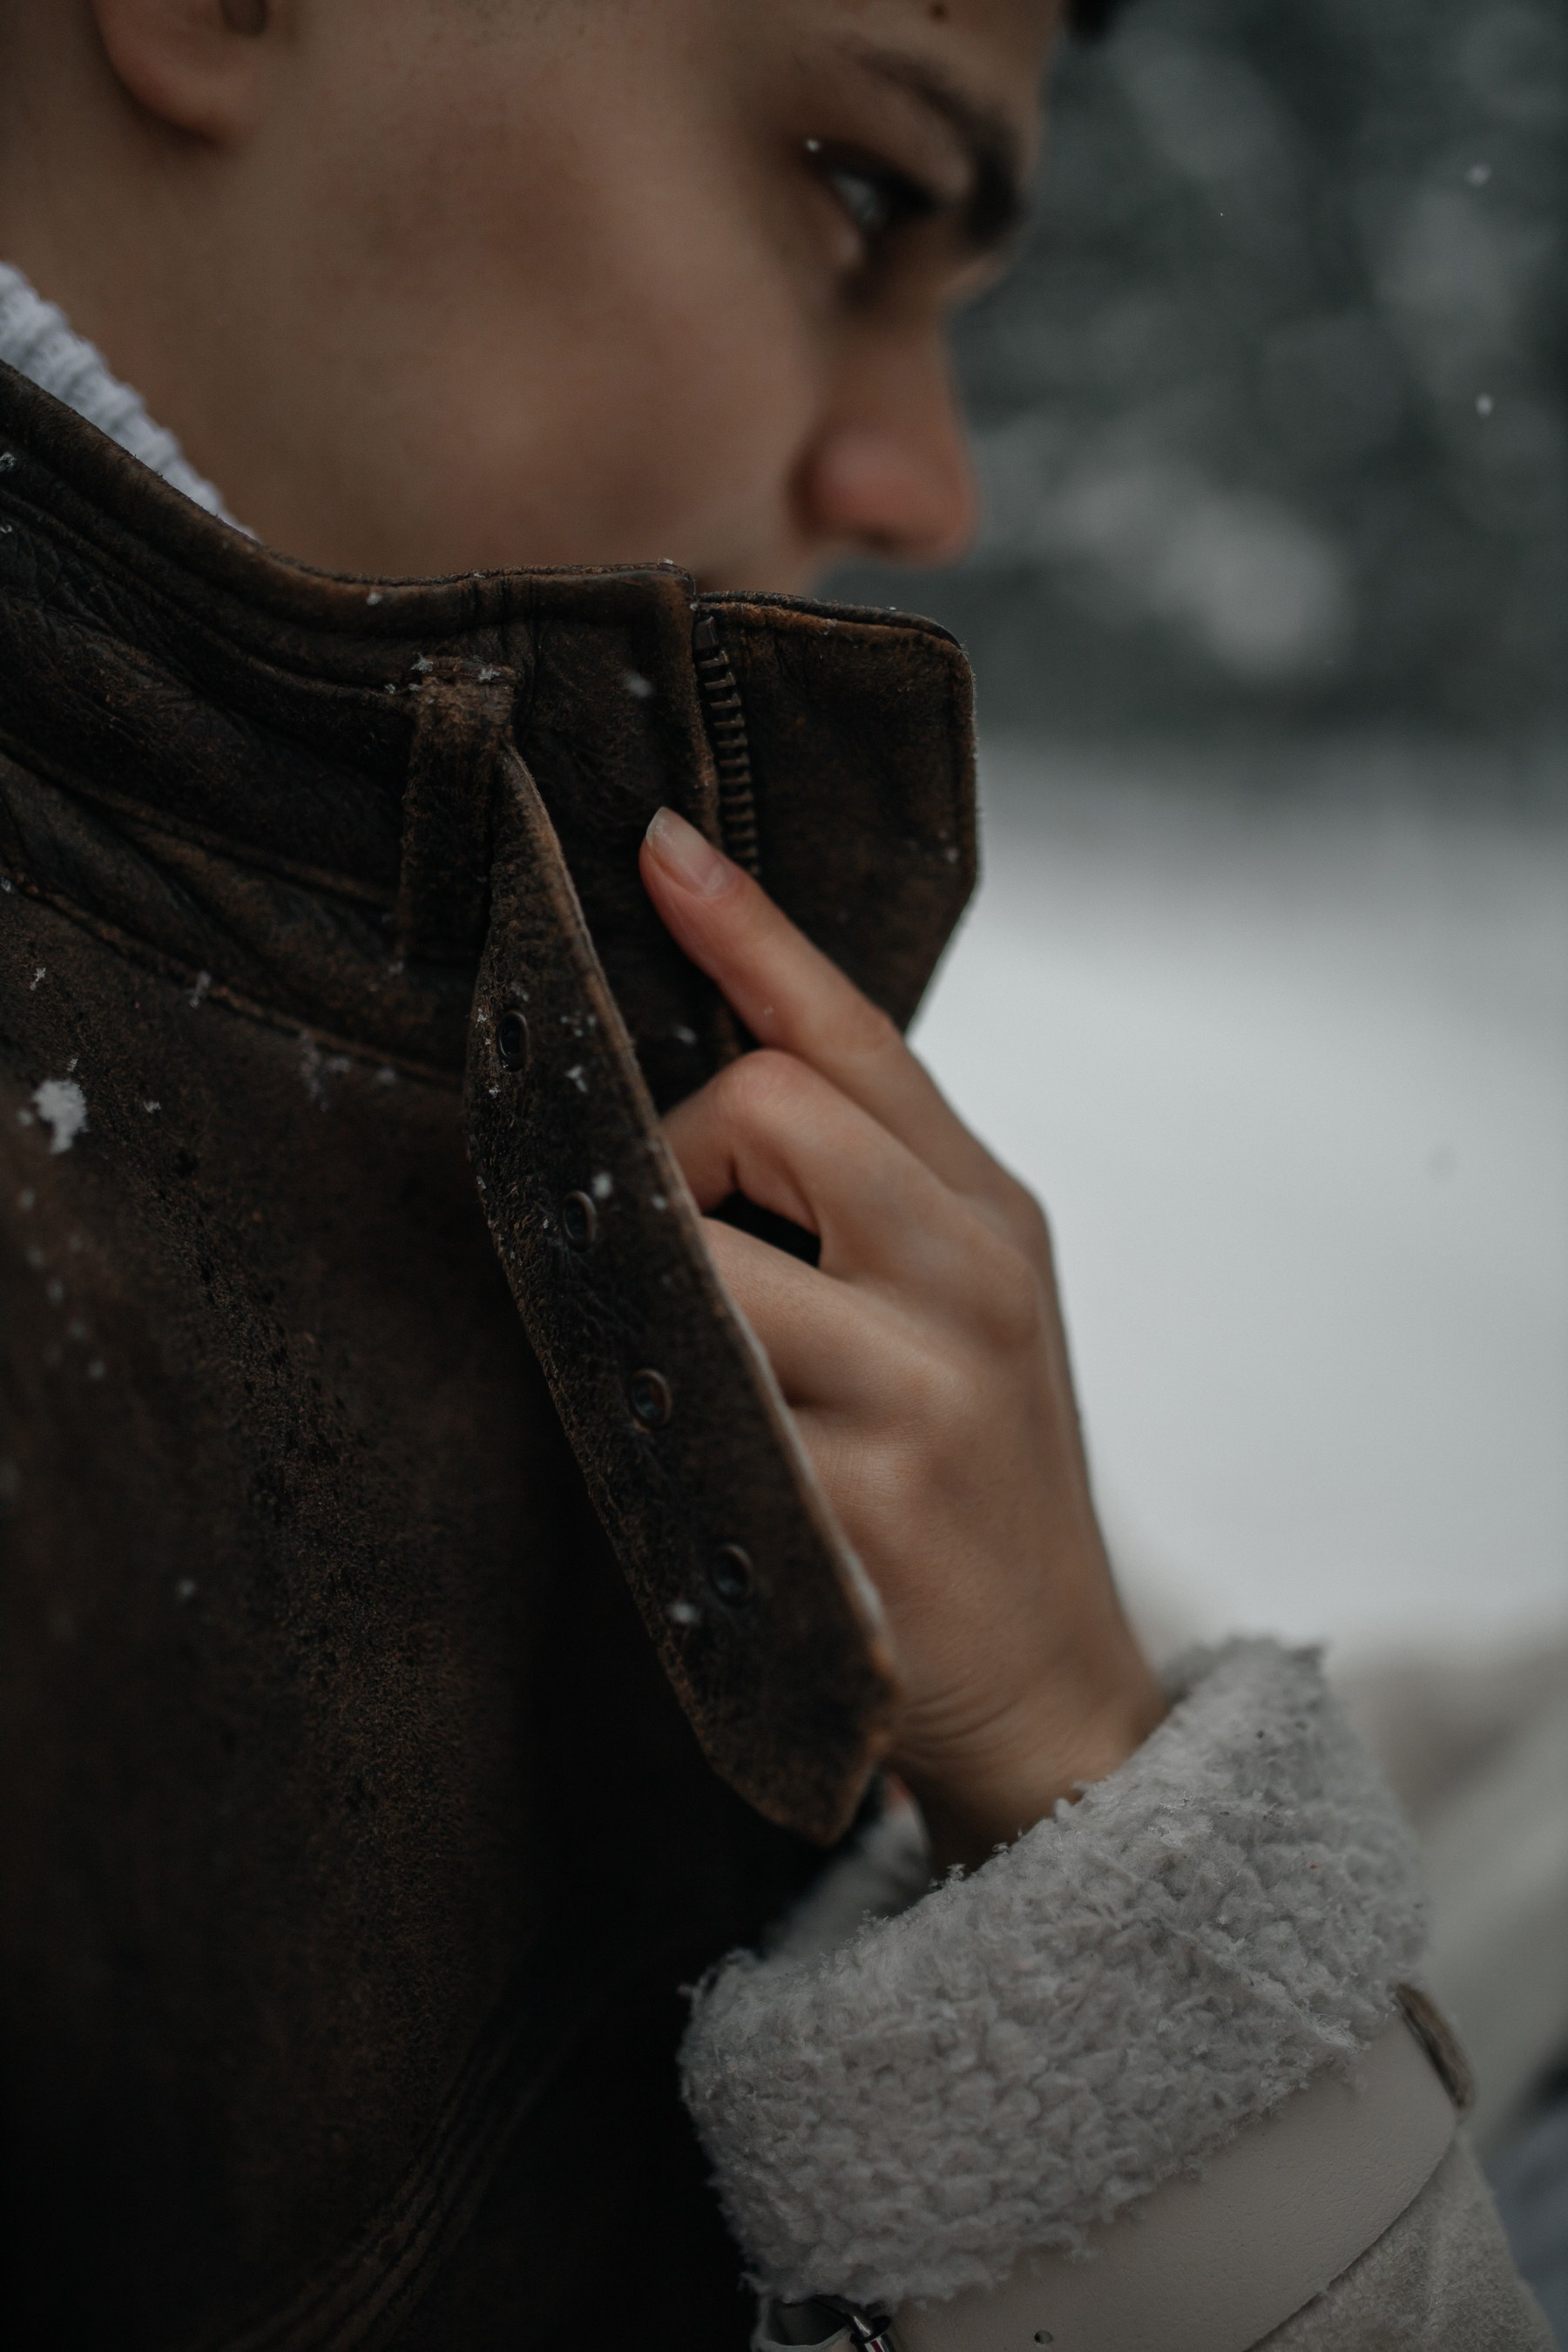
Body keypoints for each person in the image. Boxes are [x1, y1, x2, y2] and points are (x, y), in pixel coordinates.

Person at [0, 3, 1550, 2346]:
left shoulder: (491, 1012)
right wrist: (1113, 1909)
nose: (928, 483)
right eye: (857, 185)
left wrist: (1062, 1774)